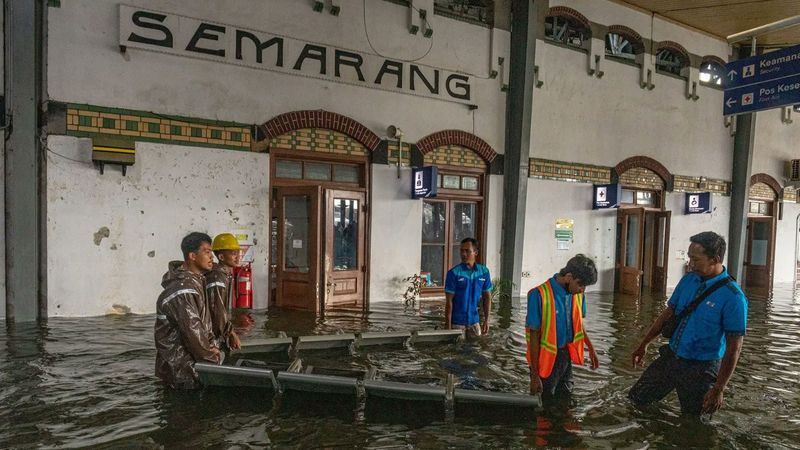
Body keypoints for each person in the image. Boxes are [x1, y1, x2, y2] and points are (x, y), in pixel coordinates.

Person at [629, 231, 748, 416]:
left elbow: (734, 347)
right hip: (672, 358)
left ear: (714, 259)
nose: (690, 264)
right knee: (636, 399)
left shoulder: (733, 297)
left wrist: (719, 388)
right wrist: (644, 344)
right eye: (689, 258)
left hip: (701, 369)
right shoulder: (688, 280)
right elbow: (667, 314)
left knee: (693, 421)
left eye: (696, 259)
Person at [526, 254, 600, 399]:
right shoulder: (539, 295)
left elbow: (578, 324)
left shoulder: (577, 294)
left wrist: (591, 348)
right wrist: (534, 375)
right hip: (545, 361)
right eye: (580, 284)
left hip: (566, 357)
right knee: (544, 403)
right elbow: (533, 335)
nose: (582, 290)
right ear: (568, 277)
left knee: (566, 399)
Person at [154, 232, 221, 389]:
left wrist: (213, 346)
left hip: (189, 368)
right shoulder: (183, 290)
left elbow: (201, 326)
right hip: (182, 373)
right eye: (206, 252)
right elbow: (193, 333)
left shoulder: (195, 282)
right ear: (192, 255)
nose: (212, 257)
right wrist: (213, 360)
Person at [444, 237, 493, 336]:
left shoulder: (484, 272)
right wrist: (448, 328)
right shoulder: (453, 273)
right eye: (462, 251)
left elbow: (487, 297)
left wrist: (487, 321)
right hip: (457, 323)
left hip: (475, 322)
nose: (463, 254)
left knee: (477, 348)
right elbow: (449, 302)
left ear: (475, 252)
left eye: (467, 251)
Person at [205, 233, 242, 351]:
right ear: (221, 257)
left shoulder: (224, 274)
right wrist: (231, 334)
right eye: (233, 253)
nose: (237, 256)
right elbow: (217, 310)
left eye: (238, 252)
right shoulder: (217, 278)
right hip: (209, 335)